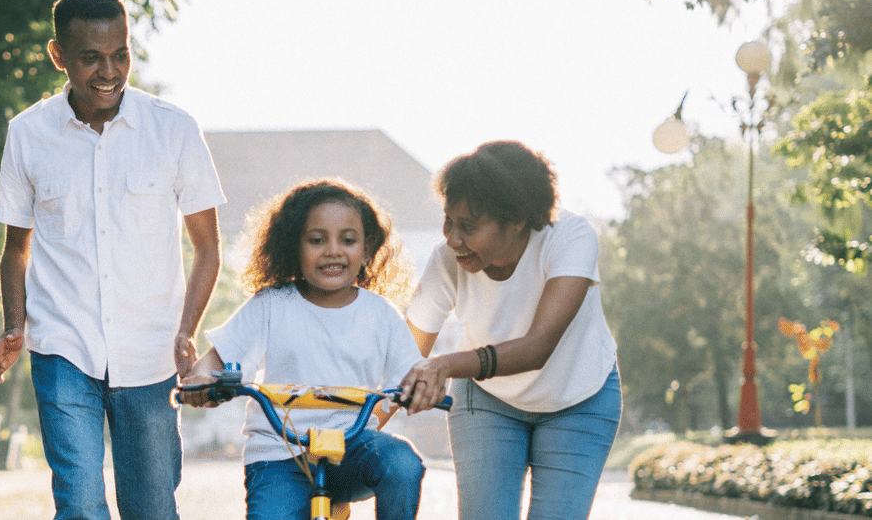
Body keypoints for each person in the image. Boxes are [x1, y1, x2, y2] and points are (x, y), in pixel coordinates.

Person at [0, 0, 225, 520]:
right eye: (90, 58)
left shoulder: (173, 129)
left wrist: (186, 331)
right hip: (64, 347)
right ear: (58, 56)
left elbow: (208, 248)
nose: (109, 72)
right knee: (80, 504)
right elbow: (15, 250)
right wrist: (15, 326)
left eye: (121, 55)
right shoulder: (28, 134)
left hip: (150, 353)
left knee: (153, 509)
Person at [397, 140, 622, 519]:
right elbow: (403, 358)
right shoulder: (446, 261)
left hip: (578, 399)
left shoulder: (570, 238)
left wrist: (444, 365)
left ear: (516, 219)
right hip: (486, 400)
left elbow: (537, 348)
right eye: (448, 221)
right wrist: (351, 433)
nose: (452, 238)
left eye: (468, 226)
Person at [179, 178, 428, 520]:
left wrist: (420, 389)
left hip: (352, 449)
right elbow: (215, 361)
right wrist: (201, 380)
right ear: (292, 246)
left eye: (348, 240)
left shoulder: (381, 314)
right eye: (316, 240)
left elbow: (412, 376)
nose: (333, 251)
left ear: (367, 248)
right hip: (280, 453)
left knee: (402, 462)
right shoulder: (271, 304)